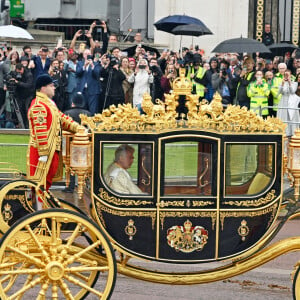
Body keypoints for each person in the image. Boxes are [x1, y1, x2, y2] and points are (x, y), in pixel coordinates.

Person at [27, 74, 80, 195]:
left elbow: (62, 119)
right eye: (51, 85)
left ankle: (41, 206)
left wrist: (79, 128)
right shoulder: (39, 105)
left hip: (52, 150)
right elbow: (40, 131)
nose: (54, 88)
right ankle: (39, 209)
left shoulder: (49, 103)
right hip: (42, 153)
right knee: (40, 183)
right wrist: (44, 153)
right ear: (43, 88)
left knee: (46, 182)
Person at [63, 92, 91, 193]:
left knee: (70, 165)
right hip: (84, 144)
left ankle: (70, 186)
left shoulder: (67, 114)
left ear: (73, 102)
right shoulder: (88, 114)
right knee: (84, 165)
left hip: (70, 144)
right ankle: (85, 185)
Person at [76, 49, 102, 114]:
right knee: (82, 110)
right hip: (82, 90)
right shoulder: (80, 63)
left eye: (88, 54)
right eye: (85, 54)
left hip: (93, 90)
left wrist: (92, 66)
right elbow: (78, 73)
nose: (87, 55)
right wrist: (84, 66)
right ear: (83, 55)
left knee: (93, 110)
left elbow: (97, 74)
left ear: (91, 55)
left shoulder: (96, 64)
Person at [11, 63, 34, 128]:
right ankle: (21, 125)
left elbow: (28, 85)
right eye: (17, 72)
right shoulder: (15, 73)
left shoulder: (28, 74)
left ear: (22, 69)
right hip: (19, 95)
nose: (19, 73)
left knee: (27, 110)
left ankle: (28, 126)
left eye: (20, 72)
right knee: (20, 110)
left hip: (28, 95)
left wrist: (18, 82)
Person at [277, 69, 299, 136]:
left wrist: (289, 83)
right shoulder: (281, 82)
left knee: (291, 117)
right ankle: (284, 132)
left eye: (287, 75)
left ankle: (292, 132)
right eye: (285, 75)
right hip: (283, 100)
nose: (286, 76)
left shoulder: (295, 83)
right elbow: (280, 92)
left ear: (290, 75)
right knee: (283, 116)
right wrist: (283, 84)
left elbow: (292, 91)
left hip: (291, 101)